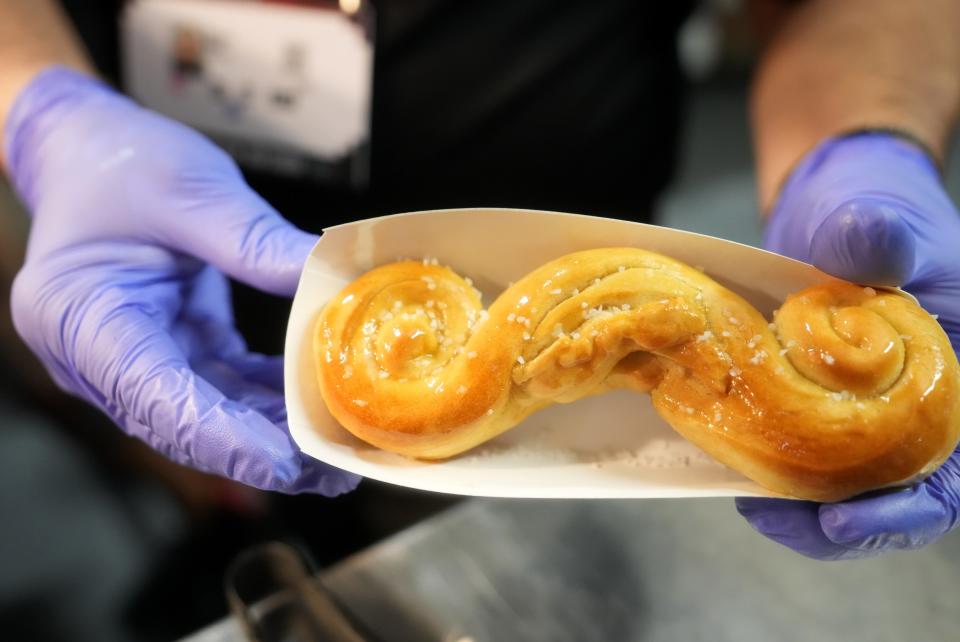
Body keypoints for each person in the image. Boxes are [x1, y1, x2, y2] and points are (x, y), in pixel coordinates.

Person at [1, 0, 959, 562]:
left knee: (553, 547)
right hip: (185, 207)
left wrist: (860, 130)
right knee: (252, 470)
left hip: (564, 168)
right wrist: (42, 107)